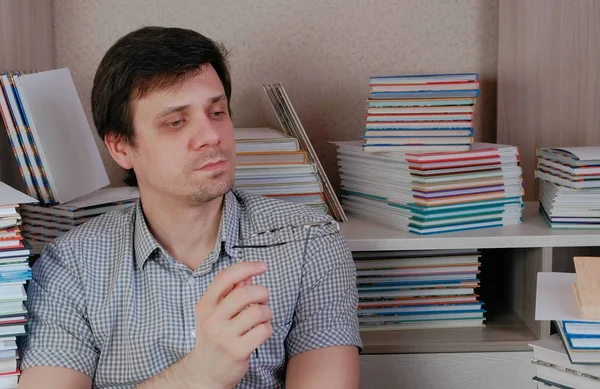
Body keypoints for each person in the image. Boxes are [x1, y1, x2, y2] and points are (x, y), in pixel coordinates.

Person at [17, 26, 362, 389]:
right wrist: (199, 375)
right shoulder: (70, 267)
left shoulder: (310, 242)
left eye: (217, 112)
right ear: (121, 147)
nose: (212, 136)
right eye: (176, 122)